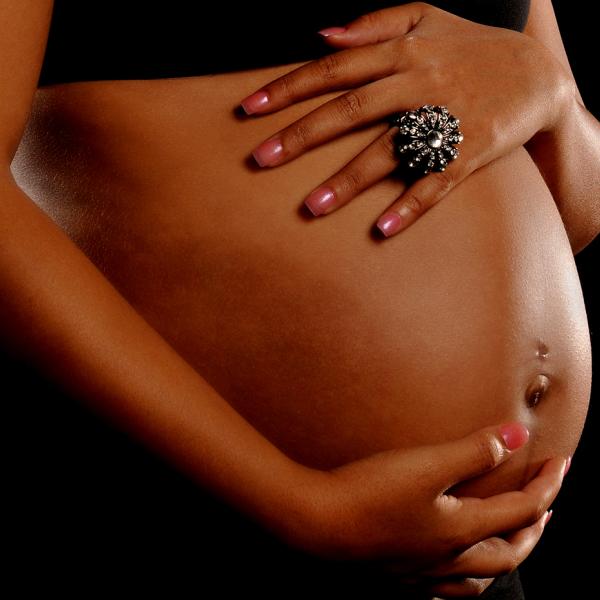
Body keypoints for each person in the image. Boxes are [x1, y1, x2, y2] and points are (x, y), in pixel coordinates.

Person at [3, 1, 598, 597]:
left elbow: (578, 210)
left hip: (468, 559)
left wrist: (548, 92)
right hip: (198, 504)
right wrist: (301, 506)